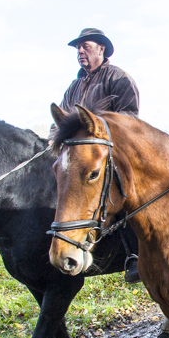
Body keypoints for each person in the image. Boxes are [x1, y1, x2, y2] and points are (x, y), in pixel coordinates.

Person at [58, 27, 141, 283]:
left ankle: (134, 254)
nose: (80, 52)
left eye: (86, 46)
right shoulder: (74, 87)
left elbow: (130, 120)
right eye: (78, 48)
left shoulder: (118, 78)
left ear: (101, 49)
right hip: (81, 157)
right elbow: (61, 122)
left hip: (114, 153)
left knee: (125, 195)